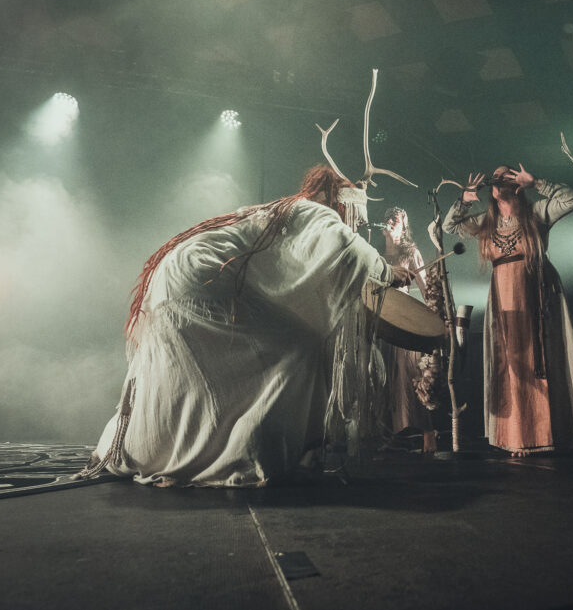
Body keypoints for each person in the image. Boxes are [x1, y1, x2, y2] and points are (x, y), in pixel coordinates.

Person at [77, 165, 414, 487]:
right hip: (201, 280)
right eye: (353, 217)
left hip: (177, 279)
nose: (352, 224)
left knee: (197, 381)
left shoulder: (283, 210)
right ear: (342, 205)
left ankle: (157, 450)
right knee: (299, 351)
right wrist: (387, 271)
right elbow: (344, 246)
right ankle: (250, 453)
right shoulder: (318, 212)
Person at [444, 165, 573, 457]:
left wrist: (537, 182)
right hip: (504, 297)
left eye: (507, 175)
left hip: (537, 293)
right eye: (496, 177)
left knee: (542, 359)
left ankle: (551, 432)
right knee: (510, 363)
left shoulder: (537, 213)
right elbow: (449, 226)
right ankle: (516, 437)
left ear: (516, 182)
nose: (498, 180)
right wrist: (463, 200)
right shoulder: (487, 221)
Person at [379, 206, 438, 454]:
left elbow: (427, 288)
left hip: (403, 320)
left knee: (412, 376)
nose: (391, 220)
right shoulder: (376, 255)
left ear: (404, 227)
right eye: (388, 217)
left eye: (397, 218)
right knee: (385, 379)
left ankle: (428, 433)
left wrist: (434, 320)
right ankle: (393, 433)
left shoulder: (410, 252)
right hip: (381, 320)